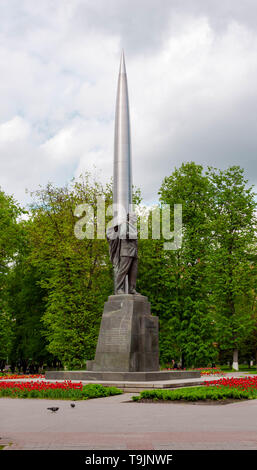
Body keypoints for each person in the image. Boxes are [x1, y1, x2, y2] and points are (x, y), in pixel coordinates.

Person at [107, 212, 139, 295]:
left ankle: (132, 289)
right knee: (123, 271)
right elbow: (123, 234)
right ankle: (118, 289)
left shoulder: (133, 227)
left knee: (133, 272)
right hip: (126, 251)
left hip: (134, 252)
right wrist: (134, 234)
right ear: (130, 217)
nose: (136, 217)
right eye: (134, 216)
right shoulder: (125, 224)